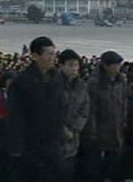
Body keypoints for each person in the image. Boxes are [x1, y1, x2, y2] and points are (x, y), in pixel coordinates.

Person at [6, 36, 66, 181]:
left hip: (53, 144)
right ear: (35, 56)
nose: (52, 58)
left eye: (53, 53)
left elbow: (62, 108)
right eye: (48, 54)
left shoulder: (57, 79)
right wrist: (16, 148)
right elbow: (15, 116)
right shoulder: (21, 82)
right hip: (31, 146)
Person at [81, 51, 129, 181]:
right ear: (106, 66)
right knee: (96, 164)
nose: (118, 67)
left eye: (119, 64)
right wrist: (92, 131)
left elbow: (124, 102)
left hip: (117, 127)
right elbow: (91, 109)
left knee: (115, 160)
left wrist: (124, 121)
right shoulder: (94, 83)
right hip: (100, 128)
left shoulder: (121, 80)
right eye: (115, 65)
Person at [58, 49, 90, 181]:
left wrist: (75, 129)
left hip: (72, 140)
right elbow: (48, 111)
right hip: (53, 140)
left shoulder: (81, 86)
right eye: (70, 65)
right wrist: (63, 130)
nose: (74, 68)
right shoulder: (52, 84)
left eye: (76, 65)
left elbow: (84, 110)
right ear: (61, 65)